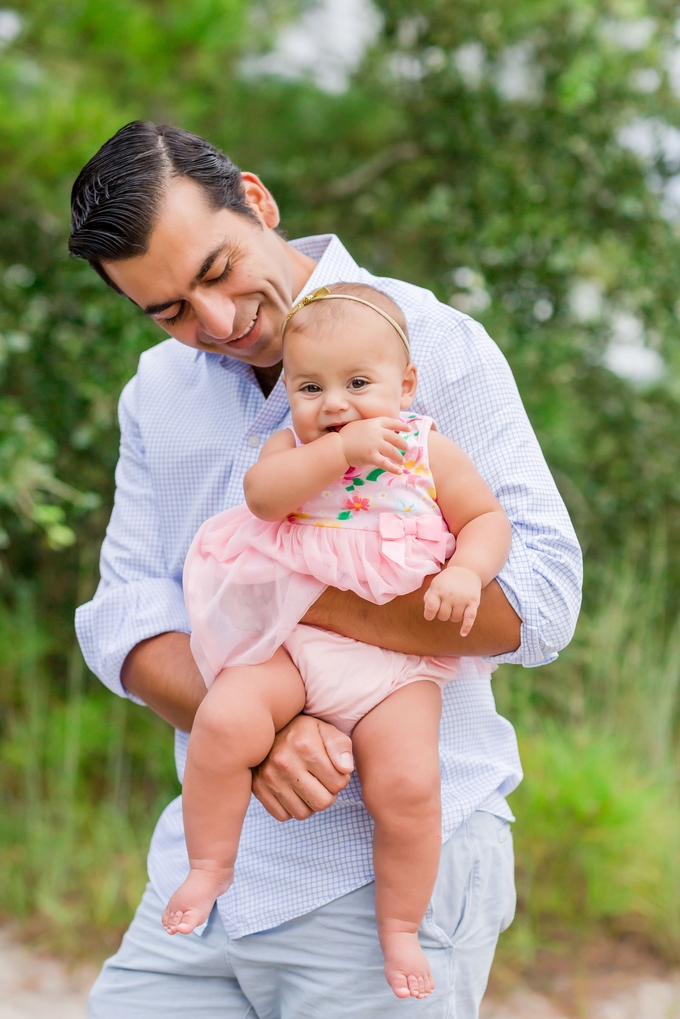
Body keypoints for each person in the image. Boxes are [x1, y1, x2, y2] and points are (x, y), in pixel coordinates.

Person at [71, 122, 582, 1018]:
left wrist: (298, 590)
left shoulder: (434, 342)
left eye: (218, 270)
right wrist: (262, 733)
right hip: (208, 884)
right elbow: (125, 616)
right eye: (170, 310)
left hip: (382, 880)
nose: (218, 322)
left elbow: (541, 601)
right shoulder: (154, 391)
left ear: (259, 203)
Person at [164, 281, 513, 1001]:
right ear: (288, 390)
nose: (336, 403)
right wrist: (340, 451)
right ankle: (207, 864)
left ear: (406, 385)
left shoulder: (426, 449)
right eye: (311, 385)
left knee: (410, 787)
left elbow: (487, 520)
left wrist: (468, 573)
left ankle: (400, 928)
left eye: (359, 383)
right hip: (295, 645)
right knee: (225, 719)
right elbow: (264, 497)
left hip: (395, 667)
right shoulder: (290, 445)